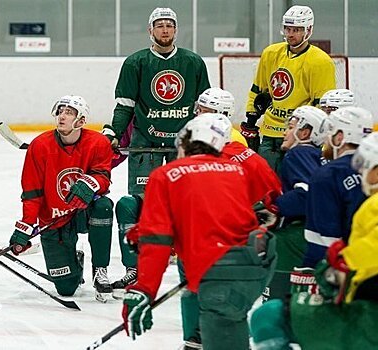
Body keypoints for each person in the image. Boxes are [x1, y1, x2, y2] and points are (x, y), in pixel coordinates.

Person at [250, 129, 378, 350]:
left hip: (377, 321)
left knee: (268, 316)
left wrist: (344, 259)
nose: (360, 170)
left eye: (365, 165)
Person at [121, 113, 276, 350]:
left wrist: (143, 290)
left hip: (219, 271)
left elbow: (158, 240)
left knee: (222, 325)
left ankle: (198, 338)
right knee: (230, 321)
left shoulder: (165, 175)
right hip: (257, 263)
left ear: (185, 141)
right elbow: (210, 214)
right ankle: (198, 338)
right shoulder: (234, 170)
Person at [102, 7, 210, 296]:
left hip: (183, 146)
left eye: (169, 25)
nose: (165, 30)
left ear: (176, 30)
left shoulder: (193, 62)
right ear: (150, 30)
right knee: (139, 203)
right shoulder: (136, 62)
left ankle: (187, 258)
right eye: (159, 25)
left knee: (185, 203)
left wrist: (204, 138)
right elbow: (125, 104)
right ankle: (135, 267)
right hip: (144, 142)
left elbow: (205, 106)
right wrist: (114, 131)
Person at [178, 88, 282, 349]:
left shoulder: (218, 144)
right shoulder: (228, 140)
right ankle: (205, 334)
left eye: (203, 109)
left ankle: (197, 337)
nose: (197, 113)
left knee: (200, 285)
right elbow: (271, 191)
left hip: (221, 236)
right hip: (233, 234)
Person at [8, 95, 115, 302]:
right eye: (59, 112)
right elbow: (32, 193)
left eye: (68, 112)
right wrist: (25, 227)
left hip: (83, 210)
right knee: (66, 288)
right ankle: (75, 262)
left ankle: (100, 270)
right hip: (54, 219)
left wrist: (90, 184)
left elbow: (103, 177)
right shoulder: (40, 146)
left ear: (81, 120)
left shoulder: (98, 143)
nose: (61, 116)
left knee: (103, 205)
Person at [240, 5, 336, 174]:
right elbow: (258, 89)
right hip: (269, 134)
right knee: (267, 184)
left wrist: (311, 135)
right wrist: (251, 119)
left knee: (294, 181)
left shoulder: (320, 61)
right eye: (287, 28)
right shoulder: (270, 53)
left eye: (297, 29)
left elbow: (321, 106)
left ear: (309, 30)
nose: (290, 34)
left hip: (299, 137)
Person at [262, 106, 328, 301]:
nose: (285, 132)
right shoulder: (318, 157)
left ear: (305, 132)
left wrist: (276, 206)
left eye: (290, 127)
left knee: (277, 302)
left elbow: (306, 194)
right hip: (317, 235)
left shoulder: (297, 154)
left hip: (295, 236)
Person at [303, 106, 373, 269]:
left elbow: (327, 235)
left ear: (340, 137)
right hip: (370, 259)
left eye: (330, 133)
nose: (326, 140)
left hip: (330, 264)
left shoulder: (327, 175)